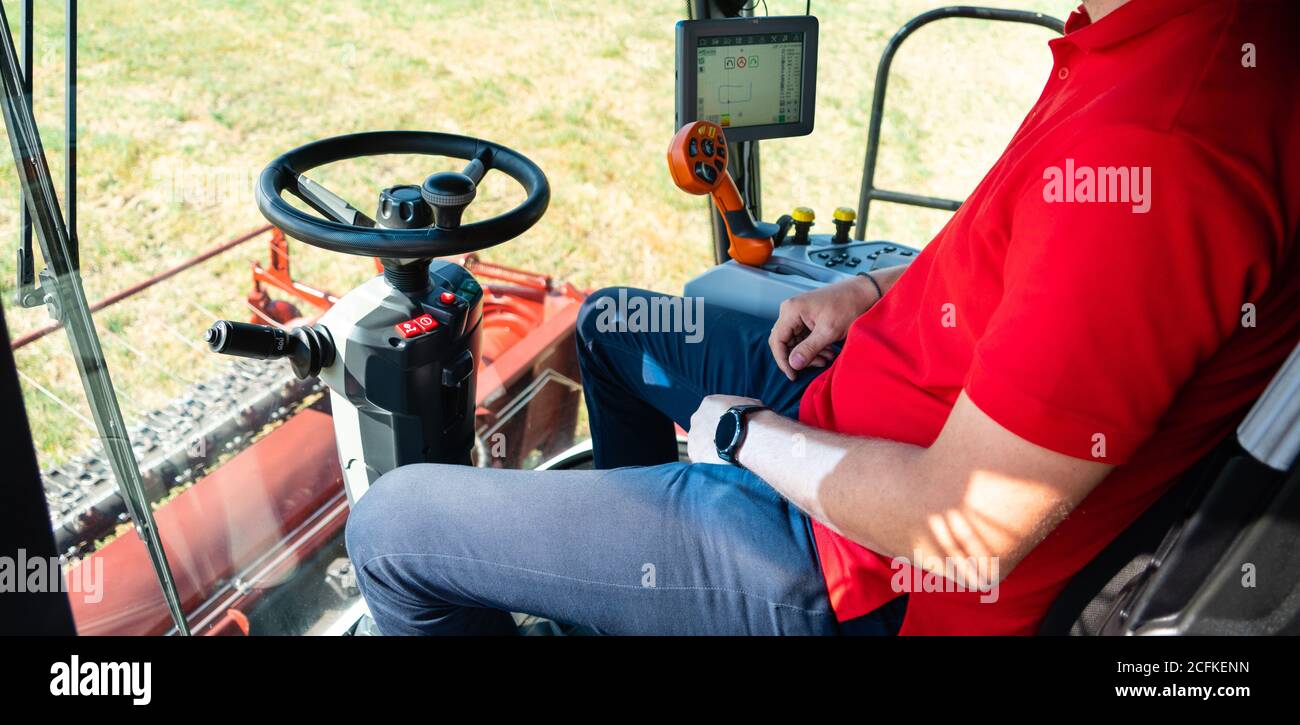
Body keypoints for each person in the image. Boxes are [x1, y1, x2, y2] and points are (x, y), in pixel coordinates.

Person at [345, 0, 1300, 635]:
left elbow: (959, 533)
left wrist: (747, 436)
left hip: (858, 564)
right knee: (614, 322)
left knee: (391, 528)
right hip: (855, 411)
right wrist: (877, 292)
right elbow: (1039, 265)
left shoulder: (1162, 144)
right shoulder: (1153, 42)